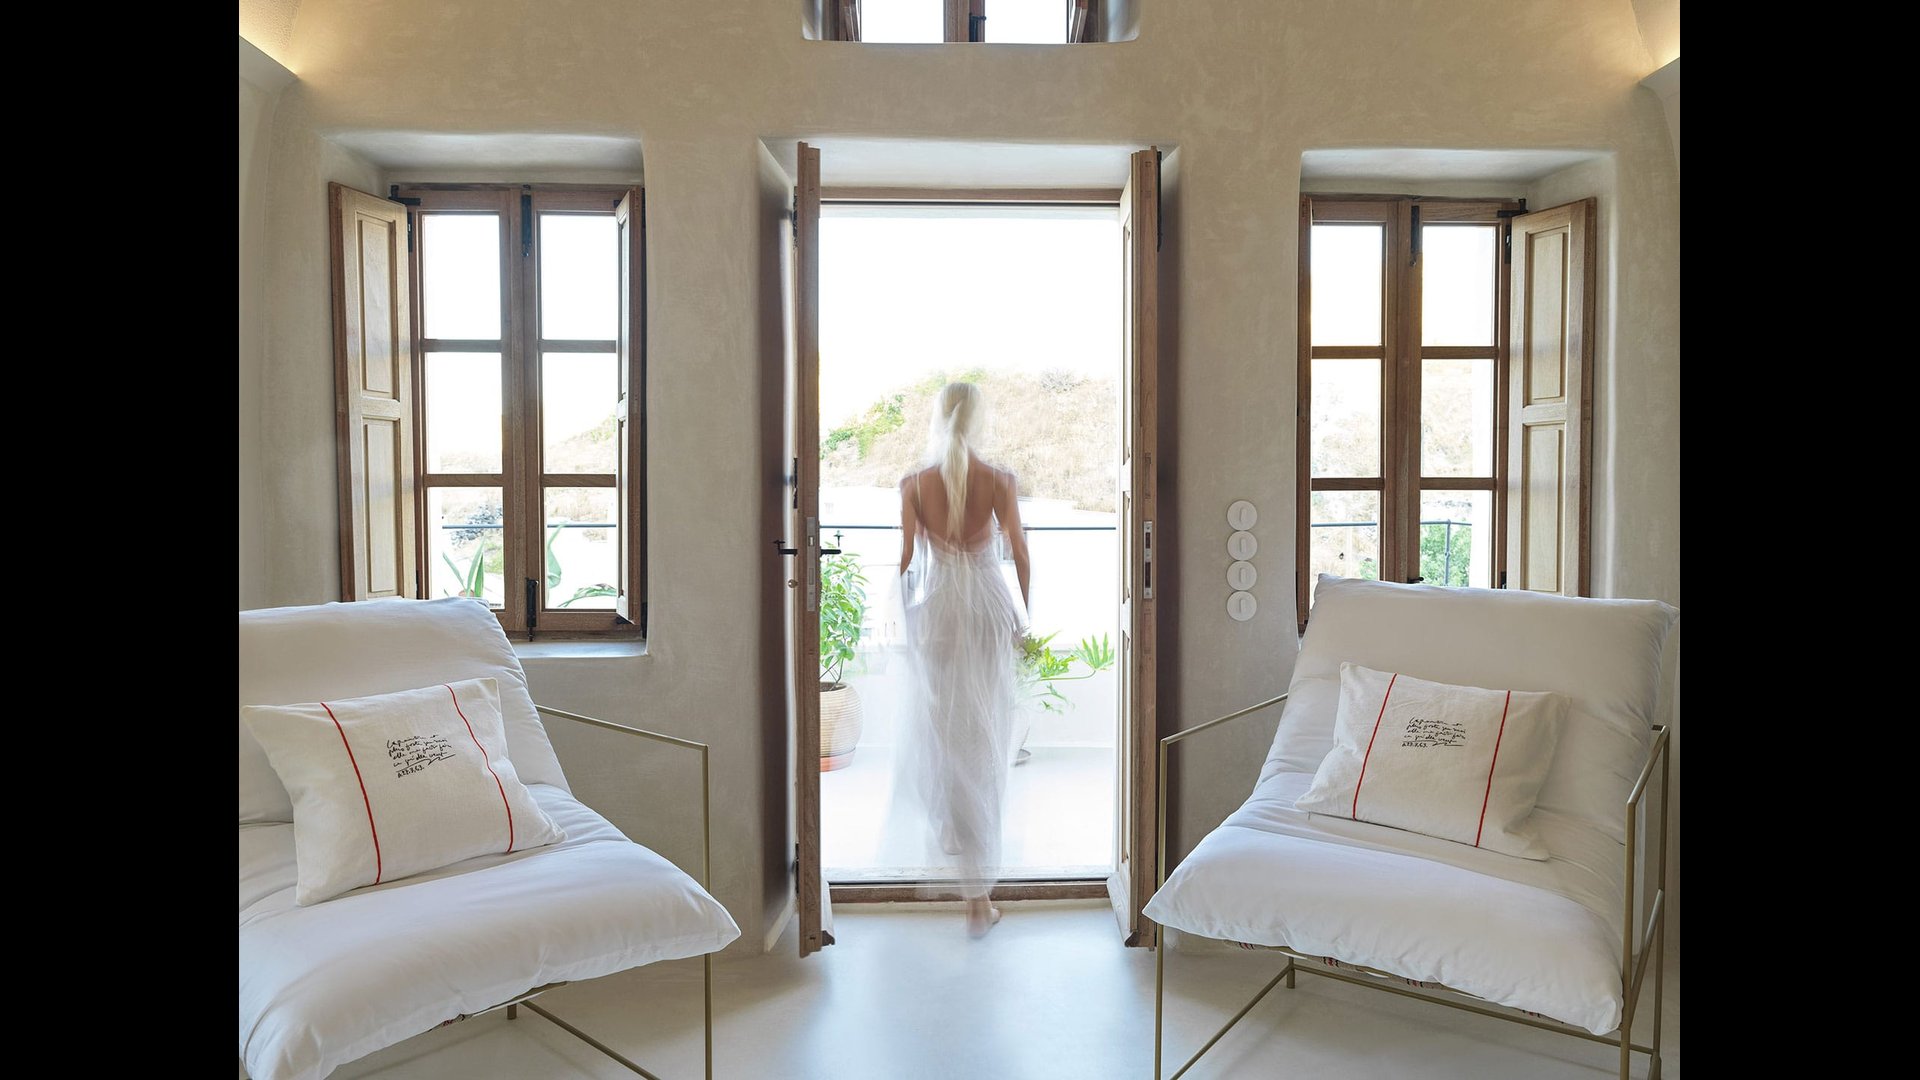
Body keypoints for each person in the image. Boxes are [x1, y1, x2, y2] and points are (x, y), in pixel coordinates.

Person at [893, 381, 1030, 937]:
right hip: (987, 613)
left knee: (941, 730)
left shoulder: (913, 484)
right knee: (984, 733)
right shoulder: (998, 480)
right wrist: (1024, 618)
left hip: (941, 615)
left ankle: (954, 833)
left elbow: (906, 563)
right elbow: (1021, 555)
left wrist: (905, 622)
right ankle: (980, 897)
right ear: (976, 420)